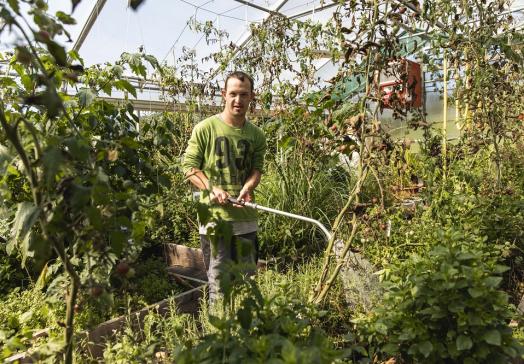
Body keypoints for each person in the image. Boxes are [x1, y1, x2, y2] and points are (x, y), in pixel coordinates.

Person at [182, 71, 266, 302]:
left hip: (246, 221)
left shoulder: (256, 135)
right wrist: (211, 189)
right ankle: (219, 336)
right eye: (233, 94)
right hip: (215, 223)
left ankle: (245, 335)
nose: (238, 100)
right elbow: (189, 168)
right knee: (219, 289)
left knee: (247, 285)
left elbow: (256, 170)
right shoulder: (205, 129)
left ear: (251, 97)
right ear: (223, 95)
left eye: (243, 94)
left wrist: (248, 187)